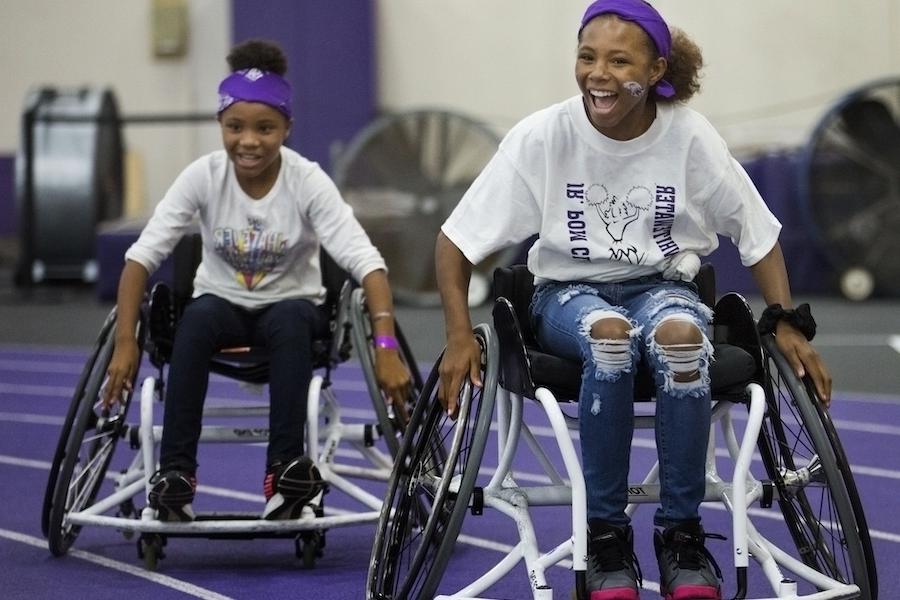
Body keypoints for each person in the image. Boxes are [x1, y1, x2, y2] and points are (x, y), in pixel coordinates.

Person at [435, 1, 831, 599]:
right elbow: (454, 243)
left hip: (665, 289)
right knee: (609, 336)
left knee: (681, 339)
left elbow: (759, 234)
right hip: (569, 294)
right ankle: (606, 537)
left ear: (654, 71)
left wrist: (782, 321)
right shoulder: (544, 136)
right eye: (586, 56)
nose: (598, 73)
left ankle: (681, 534)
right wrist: (459, 336)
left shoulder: (690, 138)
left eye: (618, 60)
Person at [102, 39, 411, 523]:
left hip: (293, 306)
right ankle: (175, 476)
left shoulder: (307, 181)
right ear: (221, 127)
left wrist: (386, 345)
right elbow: (141, 259)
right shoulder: (202, 177)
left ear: (287, 128)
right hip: (220, 304)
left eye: (265, 128)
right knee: (195, 321)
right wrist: (125, 340)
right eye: (235, 127)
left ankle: (284, 470)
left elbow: (367, 263)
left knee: (289, 320)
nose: (249, 141)